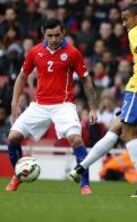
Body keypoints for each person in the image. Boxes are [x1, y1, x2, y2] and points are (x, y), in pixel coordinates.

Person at [68, 3, 137, 197]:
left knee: (128, 133)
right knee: (116, 128)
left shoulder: (136, 31)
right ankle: (81, 168)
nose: (123, 23)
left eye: (125, 18)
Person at [6, 18, 98, 195]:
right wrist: (14, 103)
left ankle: (85, 185)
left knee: (76, 140)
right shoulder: (35, 52)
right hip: (39, 105)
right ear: (43, 34)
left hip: (63, 105)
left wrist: (93, 108)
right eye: (50, 35)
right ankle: (17, 176)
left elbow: (86, 81)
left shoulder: (72, 53)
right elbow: (22, 76)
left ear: (63, 32)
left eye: (57, 35)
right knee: (13, 137)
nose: (54, 39)